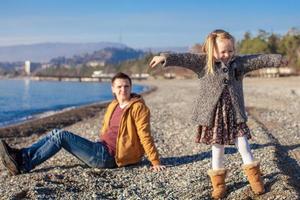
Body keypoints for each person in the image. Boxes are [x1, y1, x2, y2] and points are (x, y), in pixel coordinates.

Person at [149, 29, 286, 199]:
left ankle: (256, 180)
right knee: (217, 149)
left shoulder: (239, 63)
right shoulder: (203, 63)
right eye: (223, 51)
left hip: (234, 114)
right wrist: (165, 57)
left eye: (230, 50)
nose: (227, 54)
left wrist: (278, 59)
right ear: (211, 50)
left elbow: (258, 59)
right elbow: (184, 58)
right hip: (214, 116)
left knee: (244, 146)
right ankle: (219, 185)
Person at [0, 72, 165, 176]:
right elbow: (106, 129)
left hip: (110, 158)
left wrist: (155, 161)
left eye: (126, 86)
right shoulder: (113, 104)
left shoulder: (139, 108)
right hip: (101, 148)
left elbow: (145, 135)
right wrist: (100, 142)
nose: (123, 90)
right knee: (55, 132)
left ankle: (24, 165)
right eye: (119, 87)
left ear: (131, 87)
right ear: (113, 89)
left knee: (61, 136)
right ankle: (22, 155)